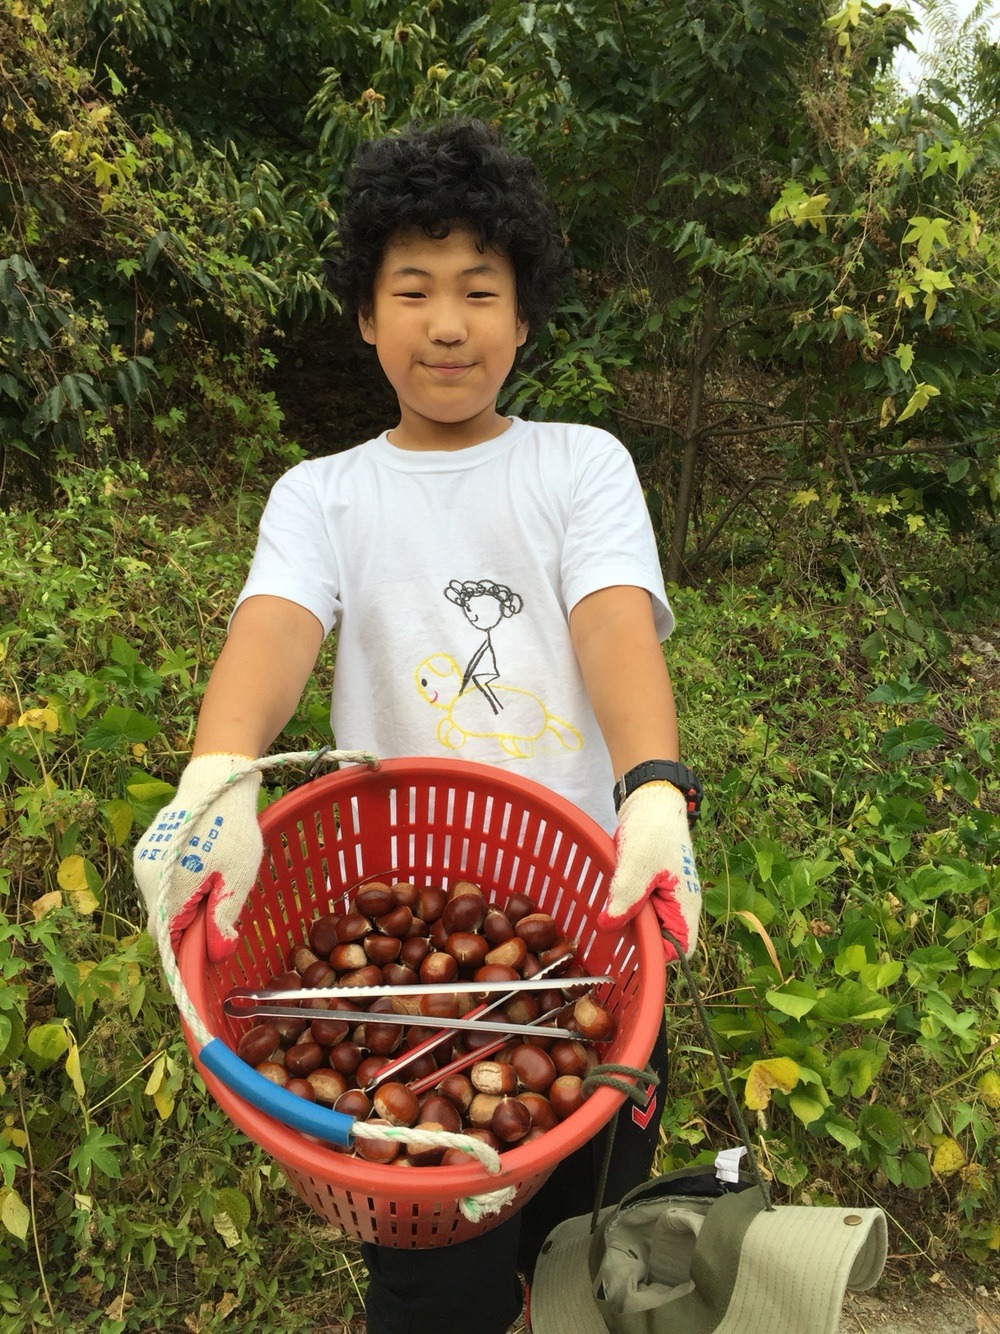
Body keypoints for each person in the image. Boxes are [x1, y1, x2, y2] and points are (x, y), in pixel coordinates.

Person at [134, 118, 702, 1334]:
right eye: (413, 290)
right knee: (430, 1280)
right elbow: (275, 632)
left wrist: (652, 783)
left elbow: (613, 627)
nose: (447, 324)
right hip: (395, 887)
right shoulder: (324, 493)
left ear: (523, 315)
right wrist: (218, 774)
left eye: (479, 291)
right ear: (364, 314)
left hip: (584, 917)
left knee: (599, 1254)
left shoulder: (577, 466)